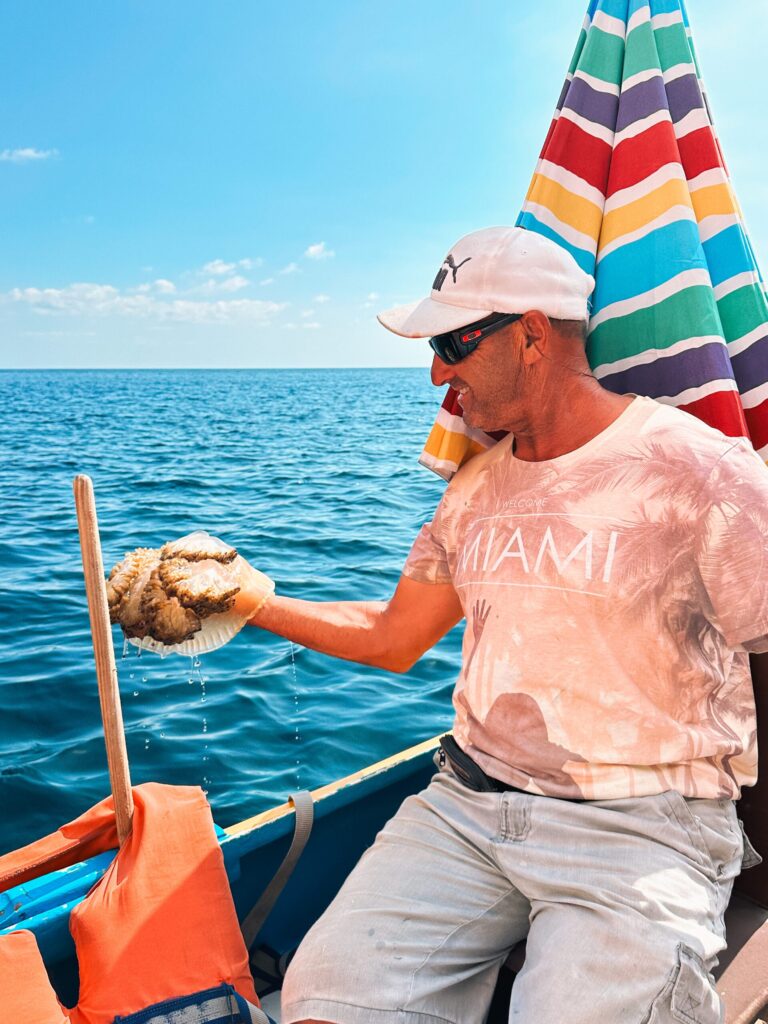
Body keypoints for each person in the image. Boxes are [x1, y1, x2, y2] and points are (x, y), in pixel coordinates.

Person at [237, 226, 768, 1024]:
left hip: (644, 824)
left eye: (452, 342)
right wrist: (246, 600)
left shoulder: (701, 472)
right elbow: (394, 636)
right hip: (466, 809)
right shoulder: (473, 490)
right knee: (320, 1001)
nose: (436, 372)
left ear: (532, 335)